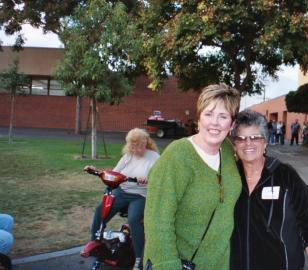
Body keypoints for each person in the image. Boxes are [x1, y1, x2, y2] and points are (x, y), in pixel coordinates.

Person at [143, 84, 242, 270]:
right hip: (178, 262)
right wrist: (167, 265)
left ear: (232, 124)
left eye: (223, 116)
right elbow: (157, 220)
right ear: (199, 118)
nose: (215, 122)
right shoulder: (177, 156)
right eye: (209, 114)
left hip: (219, 262)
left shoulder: (228, 151)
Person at [230, 110, 308, 270]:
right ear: (235, 145)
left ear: (265, 142)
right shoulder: (229, 177)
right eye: (241, 139)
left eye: (255, 137)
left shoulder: (286, 176)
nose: (248, 144)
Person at [86, 128, 160, 270]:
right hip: (122, 191)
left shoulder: (154, 157)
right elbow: (115, 172)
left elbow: (160, 178)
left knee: (133, 220)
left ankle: (139, 259)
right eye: (132, 146)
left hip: (140, 195)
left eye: (138, 145)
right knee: (100, 211)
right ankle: (96, 246)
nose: (135, 149)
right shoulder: (128, 156)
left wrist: (148, 179)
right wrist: (99, 172)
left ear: (145, 143)